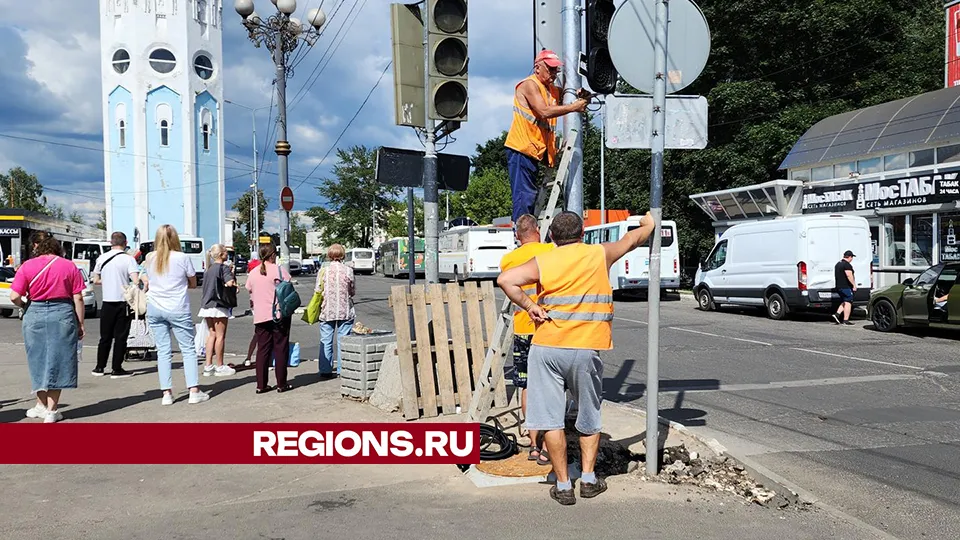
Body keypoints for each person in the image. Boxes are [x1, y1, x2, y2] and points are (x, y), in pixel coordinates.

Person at [497, 210, 655, 505]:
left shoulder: (544, 261)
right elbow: (631, 241)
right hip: (585, 349)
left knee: (551, 420)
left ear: (553, 238)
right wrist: (648, 224)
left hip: (546, 349)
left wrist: (530, 306)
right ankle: (590, 480)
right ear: (582, 234)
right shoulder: (599, 254)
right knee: (588, 416)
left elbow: (506, 279)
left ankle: (564, 485)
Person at [504, 50, 588, 223]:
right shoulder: (529, 85)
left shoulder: (551, 90)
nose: (554, 74)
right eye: (550, 69)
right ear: (537, 68)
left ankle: (527, 230)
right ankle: (520, 234)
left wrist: (580, 95)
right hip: (521, 149)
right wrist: (574, 107)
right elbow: (544, 111)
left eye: (556, 70)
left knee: (530, 197)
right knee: (523, 197)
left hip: (534, 151)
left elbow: (568, 95)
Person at [10, 232, 86, 423]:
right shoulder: (68, 266)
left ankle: (41, 405)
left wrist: (24, 305)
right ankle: (51, 411)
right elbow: (78, 297)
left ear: (37, 247)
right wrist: (80, 323)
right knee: (58, 360)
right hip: (62, 312)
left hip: (34, 312)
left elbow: (13, 296)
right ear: (57, 247)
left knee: (38, 359)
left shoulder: (27, 266)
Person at [498, 214, 555, 465]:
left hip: (523, 327)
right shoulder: (551, 251)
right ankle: (550, 438)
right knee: (552, 385)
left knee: (527, 385)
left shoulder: (508, 259)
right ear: (538, 230)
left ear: (518, 235)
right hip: (548, 327)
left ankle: (532, 441)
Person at [140, 225, 210, 405]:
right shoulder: (182, 257)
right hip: (177, 307)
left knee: (163, 351)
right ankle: (193, 391)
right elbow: (193, 282)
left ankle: (166, 394)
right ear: (175, 239)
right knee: (188, 350)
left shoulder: (150, 258)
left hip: (155, 307)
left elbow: (147, 278)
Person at [245, 244, 293, 393]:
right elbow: (289, 287)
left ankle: (261, 385)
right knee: (280, 349)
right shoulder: (279, 270)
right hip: (278, 315)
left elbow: (249, 290)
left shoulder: (253, 273)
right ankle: (281, 384)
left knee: (262, 351)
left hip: (260, 316)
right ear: (273, 255)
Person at [91, 231, 140, 378]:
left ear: (111, 242)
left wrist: (109, 281)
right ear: (125, 243)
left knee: (105, 336)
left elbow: (96, 280)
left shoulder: (102, 258)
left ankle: (99, 367)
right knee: (121, 336)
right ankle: (116, 368)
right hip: (123, 301)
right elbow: (136, 281)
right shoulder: (128, 259)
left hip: (107, 301)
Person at [317, 244, 355, 378]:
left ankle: (325, 370)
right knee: (343, 339)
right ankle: (342, 369)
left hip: (327, 310)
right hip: (345, 310)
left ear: (329, 255)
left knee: (326, 340)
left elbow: (318, 290)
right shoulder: (348, 270)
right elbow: (352, 291)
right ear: (343, 255)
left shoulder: (323, 271)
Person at [199, 244, 237, 377]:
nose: (227, 254)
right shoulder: (224, 268)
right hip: (219, 305)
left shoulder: (208, 269)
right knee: (221, 335)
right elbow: (230, 283)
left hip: (207, 304)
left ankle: (208, 365)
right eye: (226, 252)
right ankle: (220, 365)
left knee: (212, 335)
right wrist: (233, 280)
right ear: (221, 254)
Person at [832, 250, 857, 326]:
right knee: (848, 302)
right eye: (852, 257)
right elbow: (849, 275)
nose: (852, 259)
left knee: (845, 301)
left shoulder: (838, 264)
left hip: (839, 286)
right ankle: (846, 320)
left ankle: (837, 314)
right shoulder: (847, 265)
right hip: (845, 286)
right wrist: (854, 285)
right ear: (850, 257)